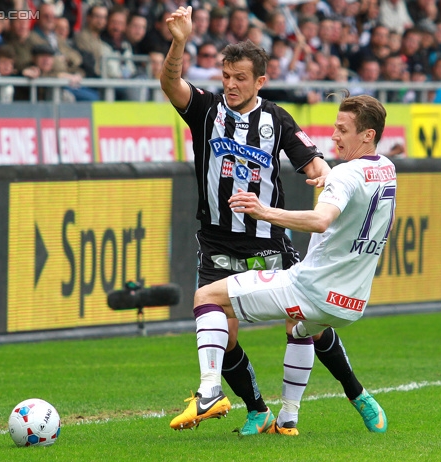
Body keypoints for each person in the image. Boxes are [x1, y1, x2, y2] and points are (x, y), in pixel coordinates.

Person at [161, 6, 387, 437]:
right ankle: (257, 409)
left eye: (240, 77)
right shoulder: (206, 110)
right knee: (220, 332)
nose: (230, 84)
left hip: (268, 243)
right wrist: (179, 42)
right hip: (216, 243)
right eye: (226, 76)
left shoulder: (276, 118)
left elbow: (312, 159)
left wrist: (323, 171)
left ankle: (355, 393)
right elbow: (170, 83)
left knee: (305, 324)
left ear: (259, 81)